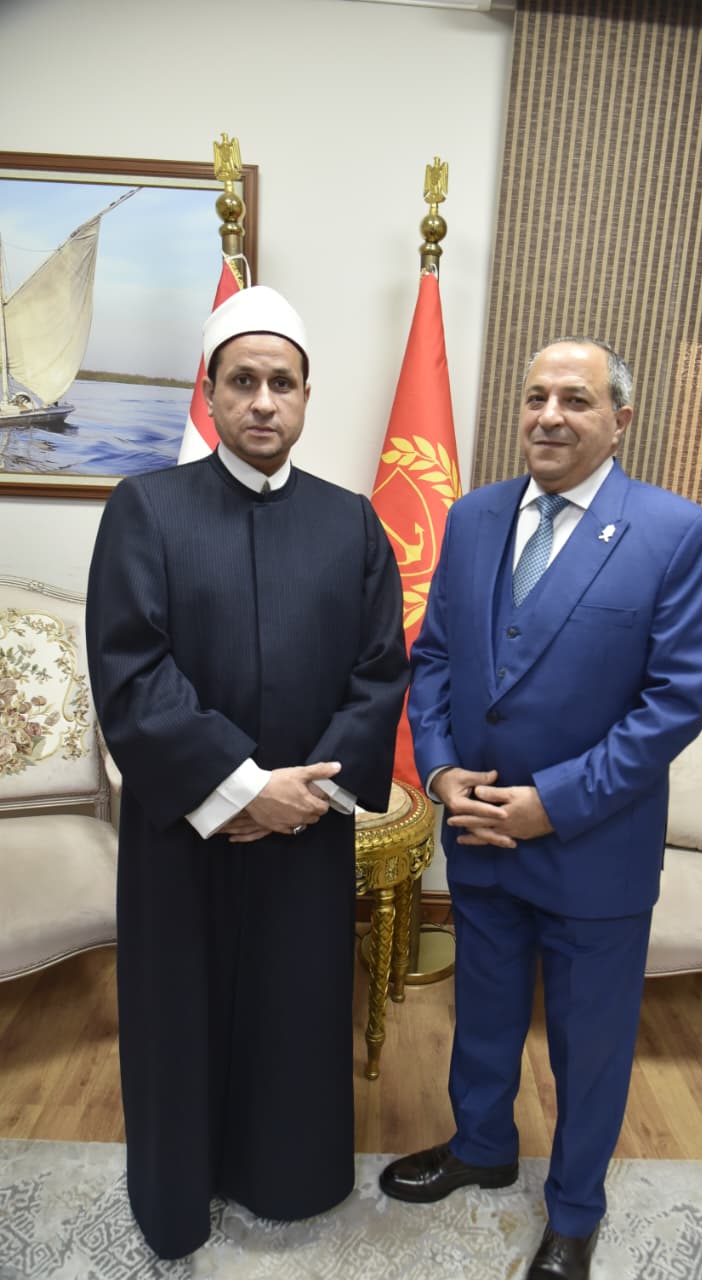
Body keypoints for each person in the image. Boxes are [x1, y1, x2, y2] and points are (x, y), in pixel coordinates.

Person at [380, 338, 702, 1279]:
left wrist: (554, 805)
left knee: (588, 1046)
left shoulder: (675, 531)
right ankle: (482, 1147)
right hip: (480, 828)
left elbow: (673, 705)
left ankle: (574, 1210)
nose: (550, 416)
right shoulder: (475, 516)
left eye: (576, 398)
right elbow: (436, 658)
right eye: (536, 397)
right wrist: (441, 772)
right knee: (485, 1015)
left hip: (592, 847)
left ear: (621, 420)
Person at [86, 285, 408, 1260]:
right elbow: (132, 672)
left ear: (306, 396)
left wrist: (298, 799)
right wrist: (238, 790)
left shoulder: (352, 525)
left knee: (292, 1013)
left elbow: (379, 672)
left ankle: (287, 1176)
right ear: (210, 390)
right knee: (177, 1018)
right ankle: (177, 1193)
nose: (263, 401)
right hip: (184, 835)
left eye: (282, 382)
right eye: (242, 381)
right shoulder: (145, 508)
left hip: (305, 832)